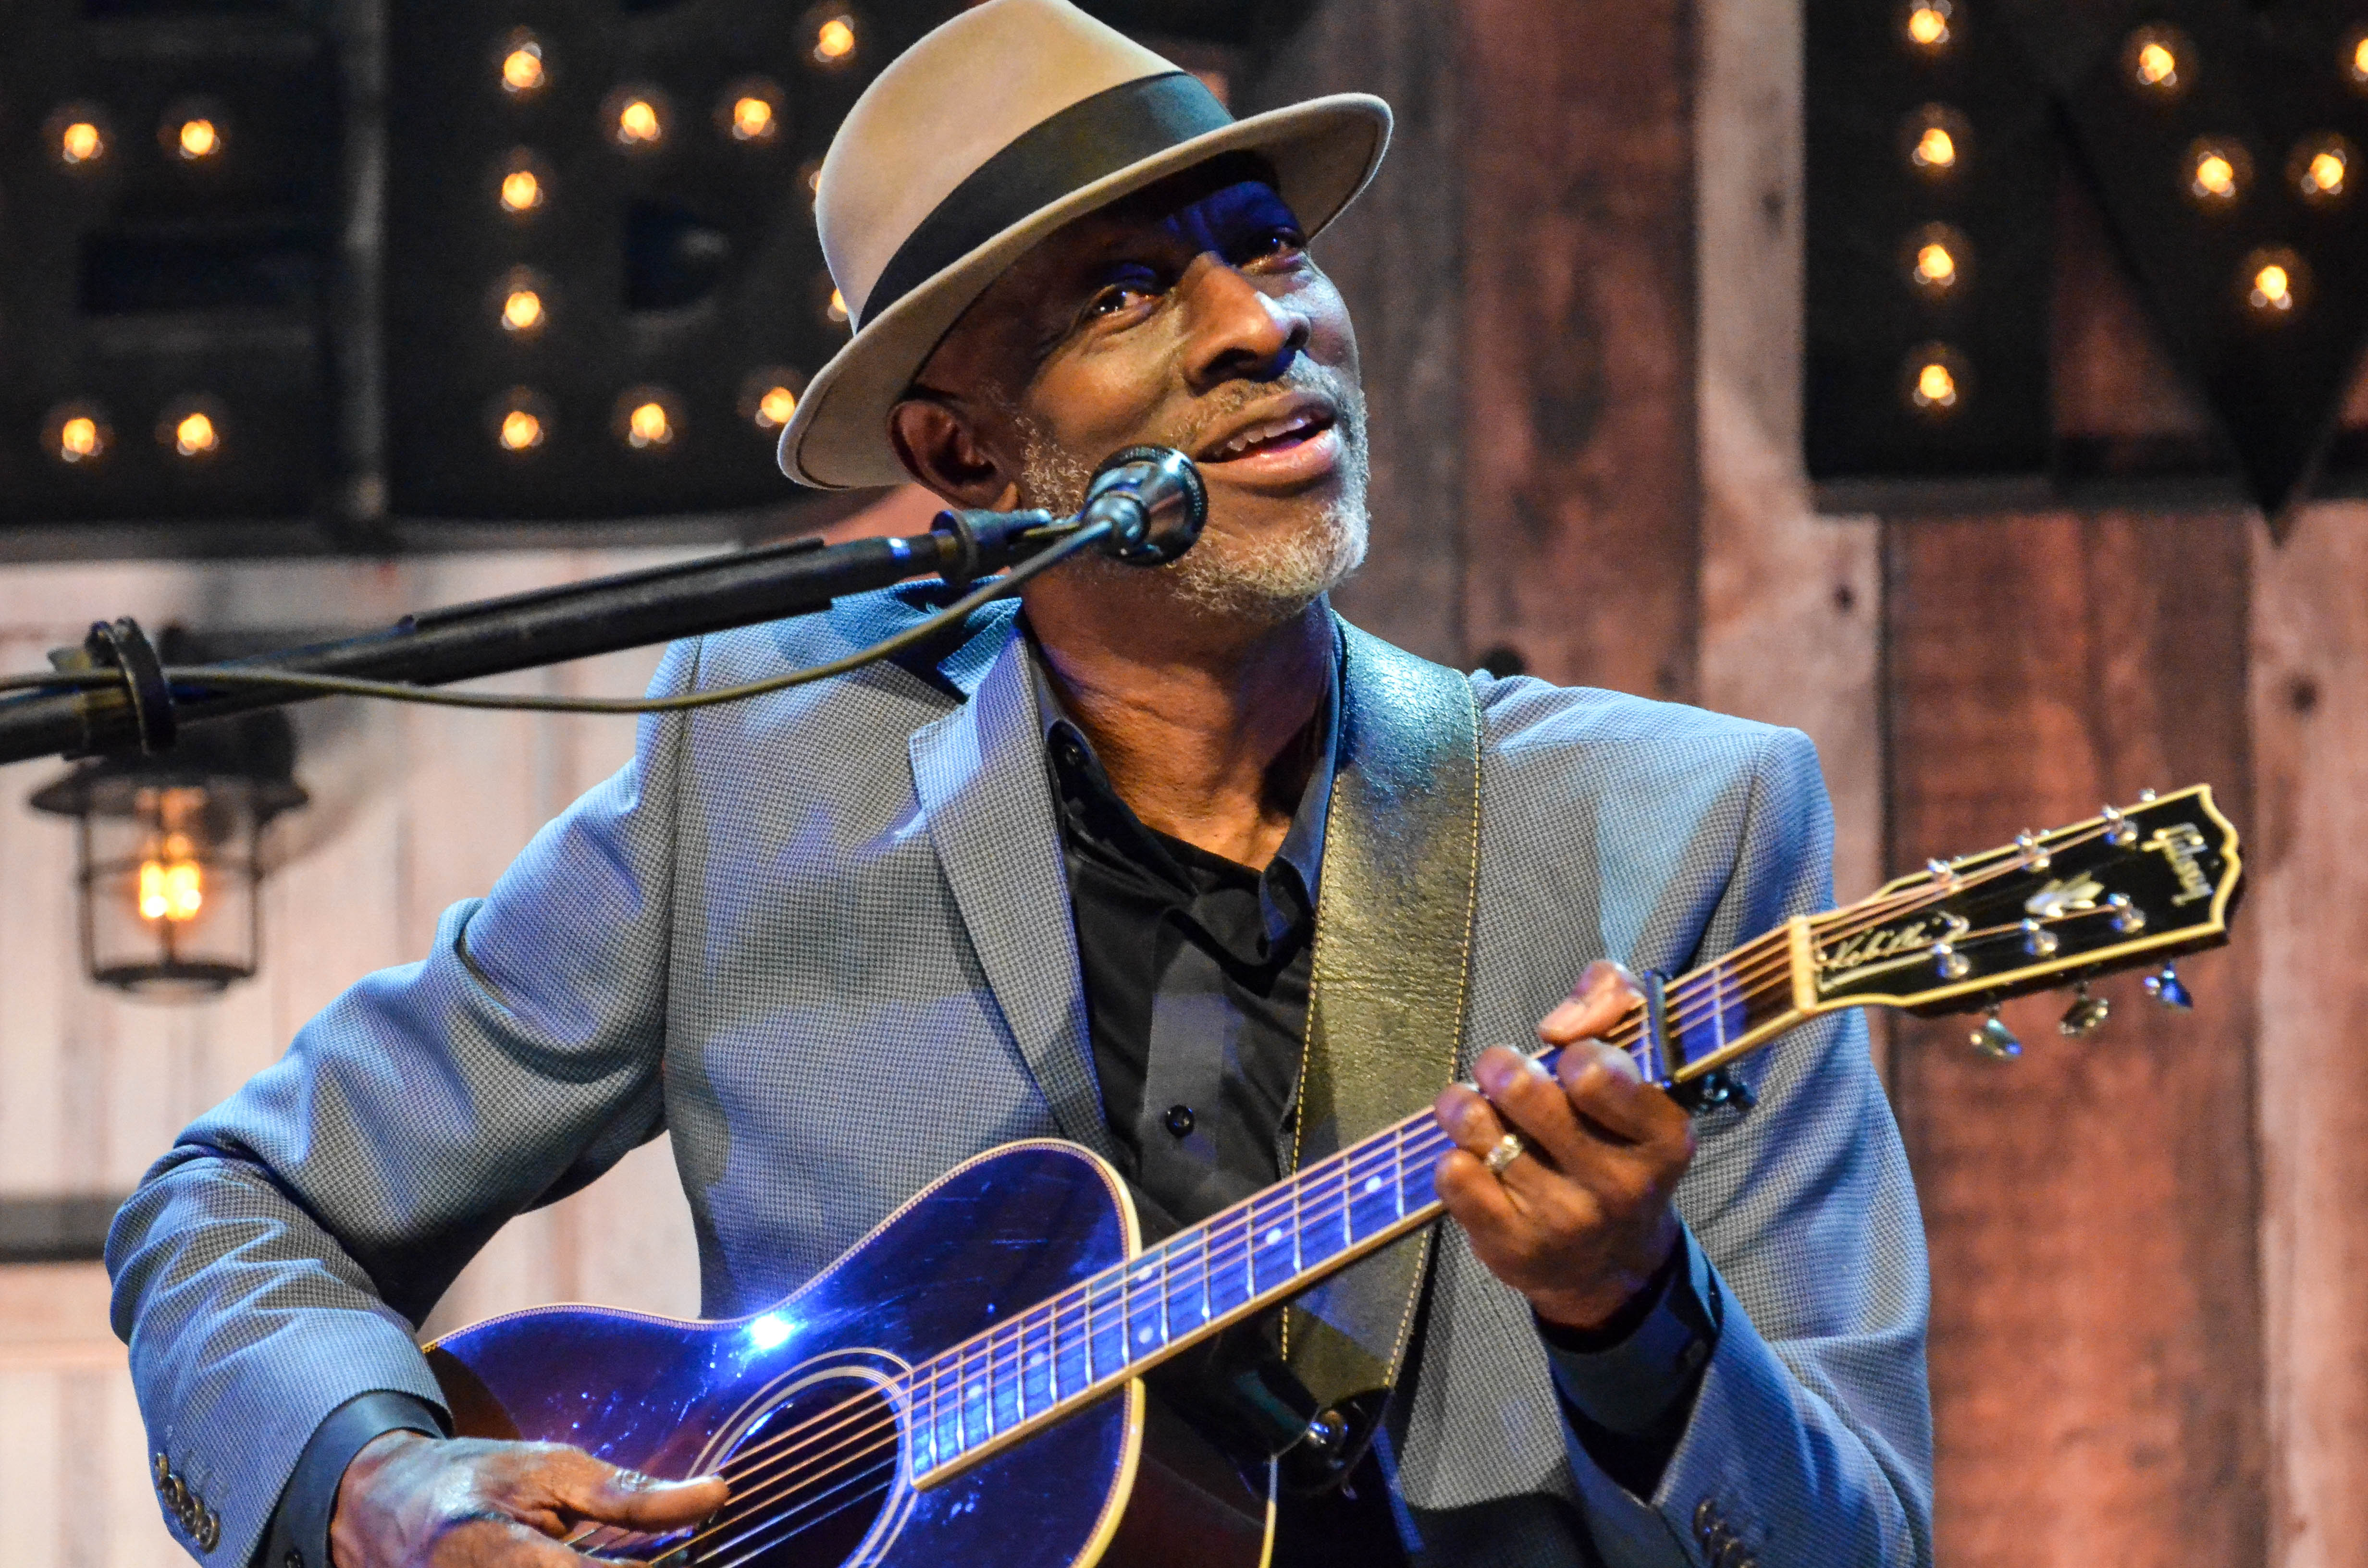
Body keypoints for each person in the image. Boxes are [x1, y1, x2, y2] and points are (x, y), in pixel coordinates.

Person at [108, 3, 1933, 1566]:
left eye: (1271, 247)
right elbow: (229, 1205)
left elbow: (1856, 1532)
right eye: (1133, 290)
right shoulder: (759, 771)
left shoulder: (1685, 829)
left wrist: (1634, 1316)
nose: (1259, 326)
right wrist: (379, 1477)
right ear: (963, 449)